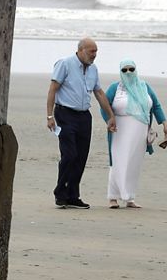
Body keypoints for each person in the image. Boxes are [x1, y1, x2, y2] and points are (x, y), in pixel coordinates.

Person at [46, 37, 117, 209]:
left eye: (96, 51)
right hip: (64, 114)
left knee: (81, 157)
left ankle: (73, 195)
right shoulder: (65, 64)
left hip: (84, 117)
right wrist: (49, 116)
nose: (94, 55)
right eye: (92, 51)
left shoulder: (93, 69)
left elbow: (99, 93)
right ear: (81, 50)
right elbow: (53, 89)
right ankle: (60, 193)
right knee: (69, 154)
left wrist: (110, 116)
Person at [100, 59, 167, 208]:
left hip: (140, 131)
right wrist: (109, 120)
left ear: (136, 70)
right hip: (119, 130)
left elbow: (156, 106)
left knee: (134, 163)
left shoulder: (144, 87)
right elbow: (104, 105)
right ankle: (113, 197)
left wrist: (165, 124)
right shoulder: (115, 87)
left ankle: (129, 198)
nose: (128, 72)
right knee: (118, 161)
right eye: (124, 70)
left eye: (131, 69)